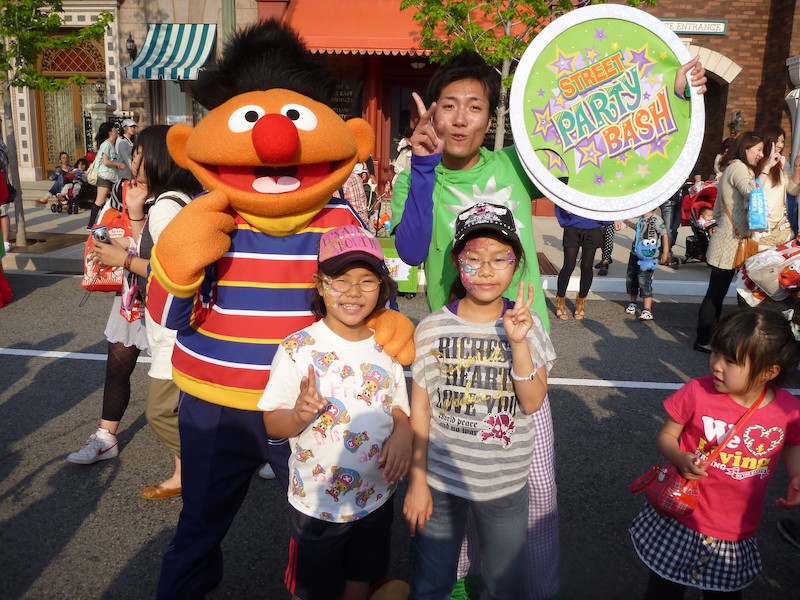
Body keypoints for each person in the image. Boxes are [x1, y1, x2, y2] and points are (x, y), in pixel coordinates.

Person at [145, 22, 414, 598]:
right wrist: (175, 264)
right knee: (199, 521)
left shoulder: (340, 218)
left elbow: (366, 293)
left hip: (310, 400)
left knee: (323, 513)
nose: (273, 143)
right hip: (216, 399)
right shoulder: (207, 216)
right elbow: (166, 317)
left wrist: (385, 323)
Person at [404, 202, 556, 599]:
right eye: (473, 258)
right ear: (457, 262)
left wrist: (518, 343)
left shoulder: (528, 325)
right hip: (440, 479)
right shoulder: (432, 327)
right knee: (430, 581)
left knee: (504, 584)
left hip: (505, 481)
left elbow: (532, 402)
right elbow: (420, 408)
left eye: (499, 258)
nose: (486, 270)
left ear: (516, 263)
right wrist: (417, 481)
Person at [259, 224, 411, 600]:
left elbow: (399, 407)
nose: (353, 292)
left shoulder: (386, 347)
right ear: (319, 284)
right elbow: (272, 422)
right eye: (340, 280)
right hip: (317, 503)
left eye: (366, 281)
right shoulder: (298, 348)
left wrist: (404, 432)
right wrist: (298, 415)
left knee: (362, 577)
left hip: (376, 497)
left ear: (382, 286)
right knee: (314, 589)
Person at [631, 308, 800, 599]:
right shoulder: (697, 391)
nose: (716, 366)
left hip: (735, 528)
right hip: (682, 515)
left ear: (769, 372)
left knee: (723, 594)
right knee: (663, 590)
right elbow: (667, 436)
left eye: (731, 361)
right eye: (715, 353)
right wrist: (679, 457)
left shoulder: (787, 409)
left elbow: (793, 443)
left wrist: (796, 474)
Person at [87, 125, 202, 500]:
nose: (132, 159)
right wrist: (136, 215)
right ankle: (186, 474)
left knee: (160, 411)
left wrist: (122, 259)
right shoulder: (176, 199)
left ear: (157, 159)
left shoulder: (167, 205)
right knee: (181, 407)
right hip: (174, 321)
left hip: (172, 326)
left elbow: (172, 270)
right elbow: (159, 251)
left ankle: (211, 466)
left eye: (138, 153)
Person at [67, 146, 150, 465]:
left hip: (169, 296)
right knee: (117, 366)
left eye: (143, 156)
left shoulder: (178, 197)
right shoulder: (122, 188)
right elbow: (109, 225)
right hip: (132, 293)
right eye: (135, 155)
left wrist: (126, 247)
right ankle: (105, 436)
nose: (135, 162)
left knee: (181, 380)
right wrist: (105, 243)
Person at [694, 132, 800, 353]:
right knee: (716, 293)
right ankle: (703, 339)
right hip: (728, 243)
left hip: (734, 240)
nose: (761, 154)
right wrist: (765, 169)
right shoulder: (738, 167)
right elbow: (753, 191)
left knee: (724, 292)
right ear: (746, 148)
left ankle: (711, 337)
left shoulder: (739, 168)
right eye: (758, 150)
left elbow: (720, 208)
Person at [554, 206, 611, 320]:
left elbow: (607, 199)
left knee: (586, 266)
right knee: (569, 265)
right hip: (572, 226)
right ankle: (560, 301)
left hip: (593, 226)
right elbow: (559, 199)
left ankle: (581, 302)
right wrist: (565, 219)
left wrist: (606, 220)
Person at [624, 210, 670, 321]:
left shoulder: (656, 220)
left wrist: (665, 252)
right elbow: (638, 228)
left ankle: (647, 309)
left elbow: (664, 234)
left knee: (645, 281)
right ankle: (633, 303)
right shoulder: (641, 219)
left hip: (648, 257)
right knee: (631, 279)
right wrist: (626, 222)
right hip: (635, 254)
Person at [753, 125, 794, 248]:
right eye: (777, 141)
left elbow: (791, 189)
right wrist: (768, 166)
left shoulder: (782, 162)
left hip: (781, 226)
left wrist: (797, 170)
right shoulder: (756, 162)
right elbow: (753, 189)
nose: (780, 145)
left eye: (782, 141)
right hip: (761, 226)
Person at [86, 121, 126, 230]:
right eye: (114, 129)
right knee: (100, 200)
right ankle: (90, 225)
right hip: (105, 176)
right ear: (110, 132)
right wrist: (118, 164)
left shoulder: (111, 145)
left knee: (113, 199)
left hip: (111, 176)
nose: (116, 131)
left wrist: (116, 165)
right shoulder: (106, 144)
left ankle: (107, 221)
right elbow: (105, 162)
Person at [0, 138, 11, 252]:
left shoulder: (1, 150)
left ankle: (5, 242)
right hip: (3, 185)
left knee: (3, 213)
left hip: (2, 186)